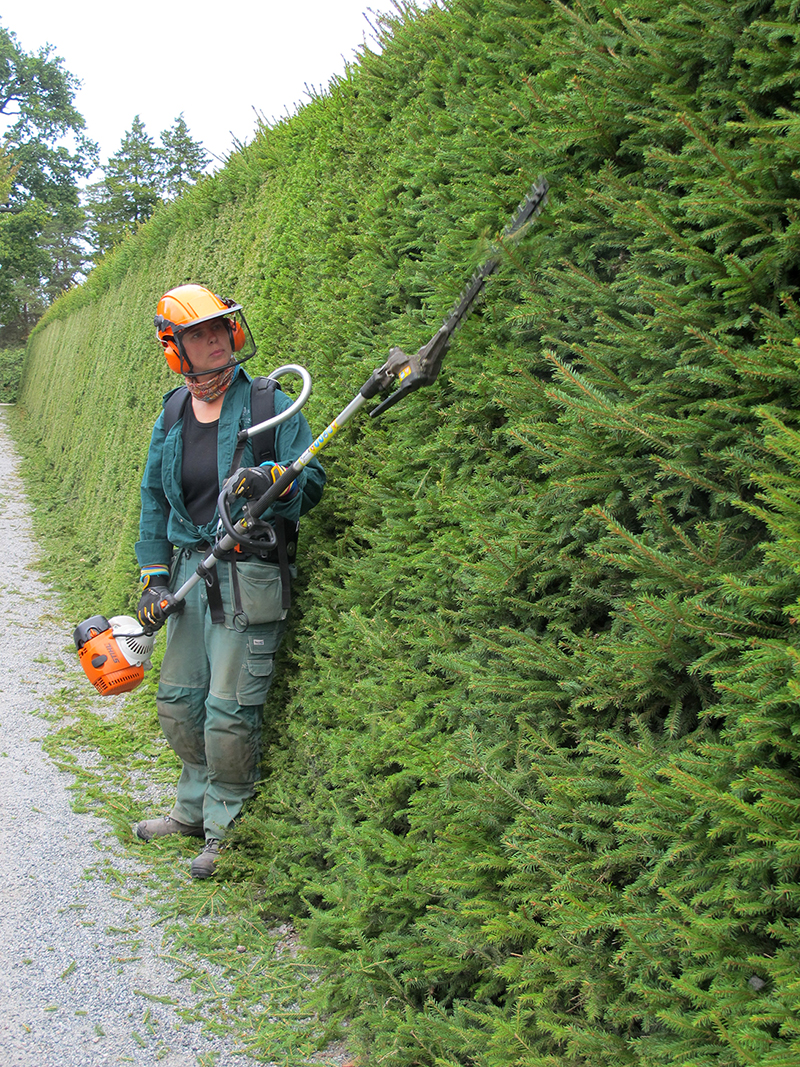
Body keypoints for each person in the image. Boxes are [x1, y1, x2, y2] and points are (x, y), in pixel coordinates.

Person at [132, 283, 325, 879]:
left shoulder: (270, 403)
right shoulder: (173, 410)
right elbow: (154, 500)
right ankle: (191, 809)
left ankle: (227, 827)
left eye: (219, 328)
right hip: (192, 573)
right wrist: (155, 577)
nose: (214, 340)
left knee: (229, 711)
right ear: (176, 348)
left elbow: (311, 480)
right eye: (198, 334)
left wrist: (273, 480)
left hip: (249, 574)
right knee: (178, 703)